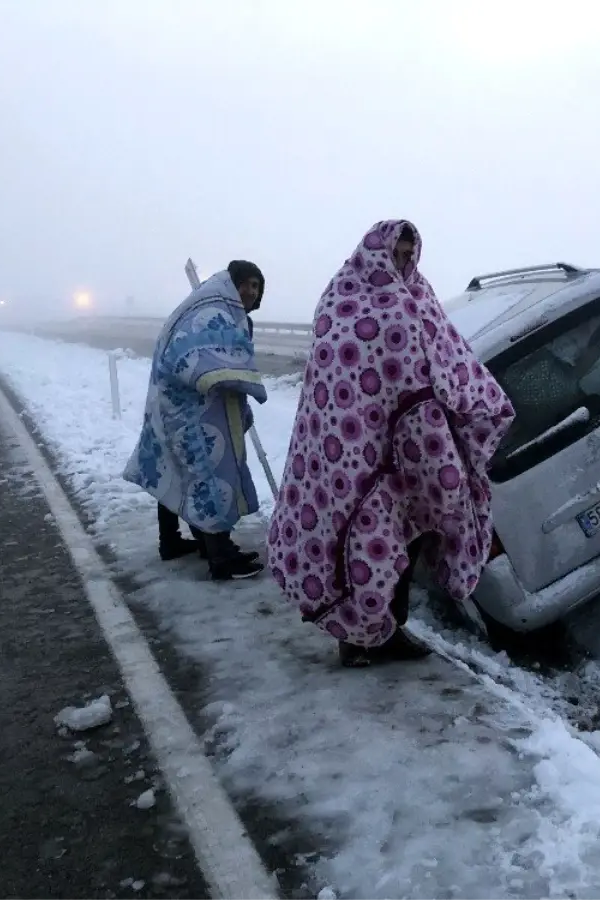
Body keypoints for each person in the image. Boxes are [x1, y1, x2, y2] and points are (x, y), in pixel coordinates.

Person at [267, 220, 516, 667]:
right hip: (351, 448)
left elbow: (445, 354)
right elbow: (331, 372)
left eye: (408, 255)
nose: (401, 263)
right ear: (374, 252)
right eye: (395, 254)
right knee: (358, 541)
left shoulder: (420, 295)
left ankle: (386, 630)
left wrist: (474, 402)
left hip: (414, 447)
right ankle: (360, 637)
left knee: (402, 543)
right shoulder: (343, 297)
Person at [124, 263, 268, 580]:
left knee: (175, 469)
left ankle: (175, 542)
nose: (250, 291)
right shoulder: (210, 316)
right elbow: (191, 356)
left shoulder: (229, 317)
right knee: (210, 474)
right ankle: (221, 558)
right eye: (245, 283)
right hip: (189, 409)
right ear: (230, 285)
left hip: (183, 407)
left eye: (256, 286)